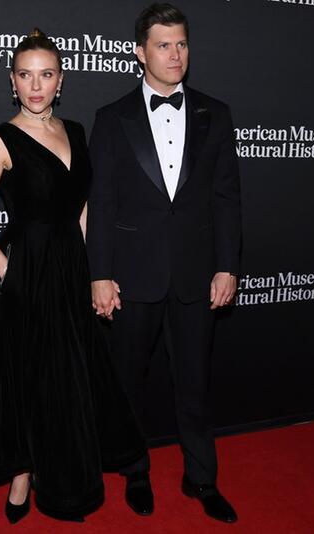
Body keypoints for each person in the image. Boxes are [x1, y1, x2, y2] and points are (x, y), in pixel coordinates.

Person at [0, 28, 147, 524]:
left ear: (60, 81)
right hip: (25, 270)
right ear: (12, 81)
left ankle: (60, 475)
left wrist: (94, 274)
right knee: (27, 376)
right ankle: (22, 473)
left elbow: (82, 210)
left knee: (68, 377)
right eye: (25, 75)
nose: (36, 85)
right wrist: (9, 272)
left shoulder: (77, 132)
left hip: (69, 269)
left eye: (46, 75)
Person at [86, 3, 243, 524]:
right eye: (163, 45)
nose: (175, 55)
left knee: (195, 385)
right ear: (139, 52)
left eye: (181, 44)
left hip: (198, 278)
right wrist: (99, 274)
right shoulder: (112, 119)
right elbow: (102, 204)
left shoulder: (214, 114)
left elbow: (226, 198)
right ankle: (135, 472)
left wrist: (227, 265)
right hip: (132, 277)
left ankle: (202, 478)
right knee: (129, 383)